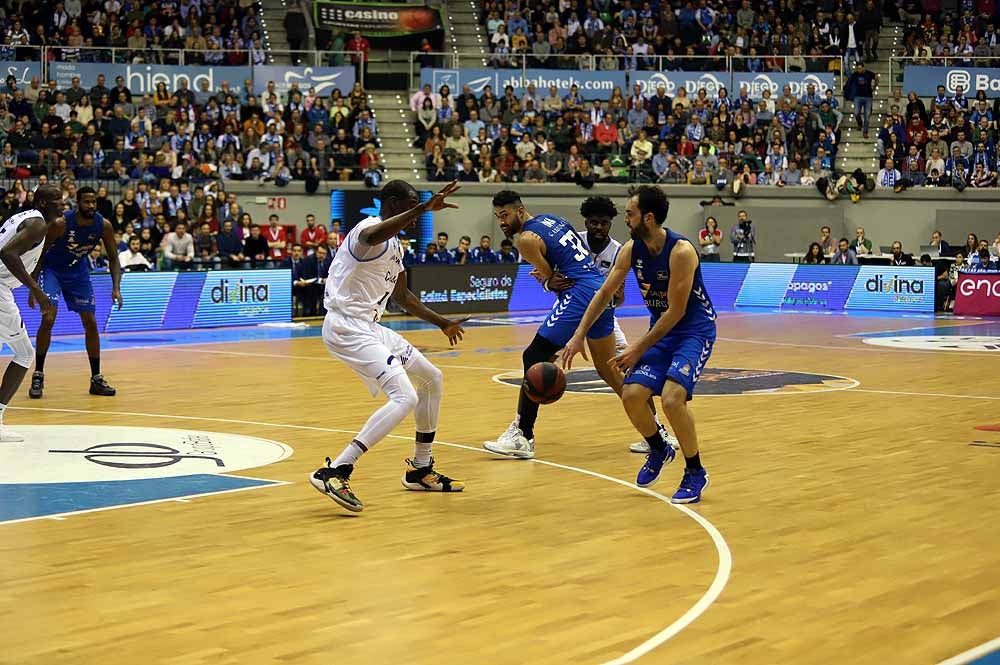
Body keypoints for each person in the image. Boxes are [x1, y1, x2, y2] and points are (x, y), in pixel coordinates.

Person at [309, 180, 469, 514]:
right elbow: (372, 237)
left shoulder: (396, 246)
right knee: (405, 396)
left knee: (431, 377)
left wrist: (442, 322)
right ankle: (336, 470)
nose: (414, 213)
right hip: (345, 326)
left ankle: (420, 470)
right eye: (410, 204)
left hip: (370, 326)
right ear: (393, 203)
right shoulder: (367, 231)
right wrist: (424, 208)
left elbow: (402, 297)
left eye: (417, 205)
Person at [563, 186, 716, 502]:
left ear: (648, 217)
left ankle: (695, 471)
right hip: (661, 330)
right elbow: (604, 293)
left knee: (673, 400)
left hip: (693, 331)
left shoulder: (682, 252)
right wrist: (579, 335)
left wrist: (638, 348)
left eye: (630, 213)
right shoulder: (632, 249)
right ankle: (659, 449)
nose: (626, 218)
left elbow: (676, 312)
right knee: (631, 394)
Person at [483, 190, 640, 460]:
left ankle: (523, 435)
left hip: (579, 295)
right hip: (600, 292)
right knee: (609, 370)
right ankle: (656, 433)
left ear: (520, 212)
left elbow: (553, 279)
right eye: (498, 217)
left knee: (533, 356)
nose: (501, 222)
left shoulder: (525, 240)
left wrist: (546, 280)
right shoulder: (552, 220)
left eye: (505, 215)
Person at [575, 196, 679, 454]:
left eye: (604, 223)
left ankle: (656, 431)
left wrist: (617, 295)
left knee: (627, 373)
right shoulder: (573, 242)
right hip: (574, 314)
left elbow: (618, 300)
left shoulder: (620, 249)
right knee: (537, 360)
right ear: (585, 222)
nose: (598, 227)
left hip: (606, 315)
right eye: (593, 222)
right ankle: (522, 428)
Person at [29, 187, 122, 399]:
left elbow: (115, 259)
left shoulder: (103, 225)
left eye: (94, 202)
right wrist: (33, 286)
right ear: (78, 203)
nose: (91, 206)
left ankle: (96, 379)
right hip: (52, 270)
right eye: (87, 202)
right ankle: (38, 374)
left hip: (78, 271)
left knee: (90, 321)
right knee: (49, 317)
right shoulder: (61, 223)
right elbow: (40, 253)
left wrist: (116, 287)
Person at [0, 185, 62, 440]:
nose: (62, 204)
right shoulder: (37, 224)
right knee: (24, 354)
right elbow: (6, 253)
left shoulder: (24, 218)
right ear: (44, 203)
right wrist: (36, 290)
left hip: (4, 286)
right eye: (57, 200)